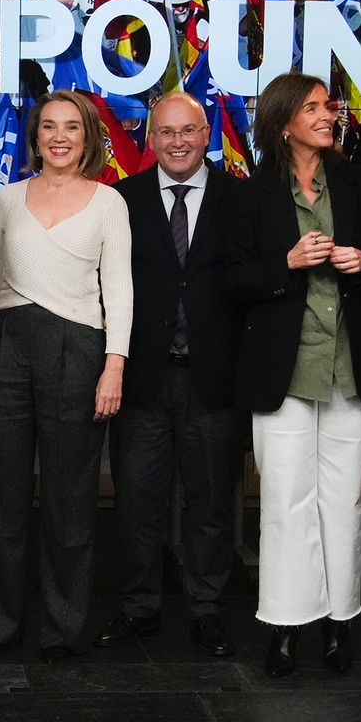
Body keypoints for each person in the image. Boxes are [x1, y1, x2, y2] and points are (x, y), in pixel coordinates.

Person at [228, 73, 361, 679]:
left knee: (344, 500)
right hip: (283, 370)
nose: (328, 115)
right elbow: (230, 281)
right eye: (314, 107)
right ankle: (286, 626)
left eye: (330, 105)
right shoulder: (251, 193)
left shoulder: (357, 184)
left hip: (349, 364)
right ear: (283, 121)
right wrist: (287, 263)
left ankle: (341, 622)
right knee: (285, 502)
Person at [0, 90, 133, 662]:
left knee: (70, 496)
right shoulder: (9, 199)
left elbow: (119, 291)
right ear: (35, 137)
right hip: (7, 347)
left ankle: (64, 628)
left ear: (87, 138)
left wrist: (114, 366)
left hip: (78, 350)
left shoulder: (109, 202)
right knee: (0, 492)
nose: (59, 137)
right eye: (48, 127)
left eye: (72, 127)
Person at [96, 92, 247, 658]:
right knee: (138, 502)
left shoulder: (241, 198)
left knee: (211, 504)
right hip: (141, 376)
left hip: (215, 377)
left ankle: (207, 610)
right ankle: (141, 607)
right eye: (166, 132)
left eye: (188, 131)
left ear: (206, 134)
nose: (178, 142)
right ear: (151, 139)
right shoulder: (122, 199)